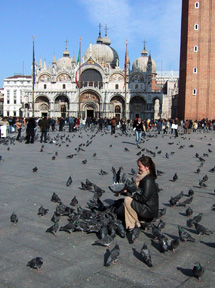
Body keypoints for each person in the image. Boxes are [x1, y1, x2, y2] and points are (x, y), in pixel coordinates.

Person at [116, 156, 159, 231]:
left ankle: (133, 226)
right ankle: (140, 220)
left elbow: (144, 199)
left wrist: (131, 194)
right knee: (119, 212)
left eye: (140, 166)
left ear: (147, 167)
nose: (138, 168)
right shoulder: (143, 177)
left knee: (127, 200)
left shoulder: (148, 180)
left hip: (148, 210)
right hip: (146, 206)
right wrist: (126, 192)